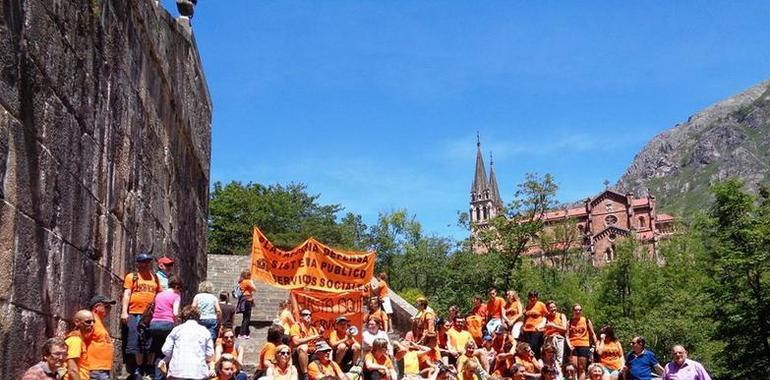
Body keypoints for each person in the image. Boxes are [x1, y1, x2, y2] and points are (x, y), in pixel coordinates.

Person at [121, 252, 162, 378]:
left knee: (150, 341)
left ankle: (148, 367)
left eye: (148, 262)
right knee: (135, 341)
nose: (146, 264)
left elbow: (159, 295)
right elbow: (127, 294)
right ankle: (137, 368)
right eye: (143, 262)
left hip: (150, 315)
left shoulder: (155, 278)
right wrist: (124, 311)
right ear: (138, 264)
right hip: (135, 313)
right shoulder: (132, 277)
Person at [161, 305, 214, 380]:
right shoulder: (204, 331)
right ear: (198, 317)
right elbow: (210, 355)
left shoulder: (177, 330)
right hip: (198, 372)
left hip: (177, 372)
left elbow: (165, 350)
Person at [148, 276, 182, 379]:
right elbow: (175, 313)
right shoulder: (176, 296)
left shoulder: (159, 295)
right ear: (176, 286)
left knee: (159, 351)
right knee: (170, 350)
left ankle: (157, 376)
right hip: (167, 324)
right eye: (180, 288)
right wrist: (177, 324)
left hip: (154, 324)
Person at [87, 295, 117, 380]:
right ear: (96, 307)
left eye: (110, 307)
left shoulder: (98, 321)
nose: (109, 309)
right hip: (95, 368)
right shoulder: (90, 321)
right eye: (106, 306)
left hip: (102, 368)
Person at [567, 303, 597, 379]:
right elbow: (566, 335)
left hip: (584, 345)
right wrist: (569, 345)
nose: (578, 312)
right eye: (576, 310)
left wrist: (595, 345)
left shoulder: (586, 320)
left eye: (579, 310)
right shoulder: (569, 321)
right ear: (573, 311)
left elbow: (592, 333)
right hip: (573, 346)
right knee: (573, 368)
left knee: (582, 368)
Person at [290, 309, 323, 377]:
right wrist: (312, 337)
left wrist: (321, 334)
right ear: (301, 317)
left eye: (310, 315)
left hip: (312, 351)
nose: (308, 316)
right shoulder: (296, 326)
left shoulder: (313, 329)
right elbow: (295, 342)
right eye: (305, 315)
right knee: (304, 347)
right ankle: (305, 375)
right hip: (298, 352)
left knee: (326, 349)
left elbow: (318, 342)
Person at [64, 310, 95, 380]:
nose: (92, 324)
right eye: (88, 322)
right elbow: (72, 370)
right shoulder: (75, 340)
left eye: (93, 321)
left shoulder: (79, 340)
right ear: (77, 322)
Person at [520, 291, 547, 360]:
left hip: (536, 329)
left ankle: (535, 363)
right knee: (526, 348)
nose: (533, 298)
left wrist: (541, 325)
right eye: (531, 297)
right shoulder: (527, 306)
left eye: (534, 297)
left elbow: (545, 316)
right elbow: (525, 318)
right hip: (526, 330)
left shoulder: (541, 305)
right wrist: (522, 327)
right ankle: (529, 362)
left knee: (534, 347)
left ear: (537, 297)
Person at [542, 300, 567, 372]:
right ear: (547, 309)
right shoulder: (545, 318)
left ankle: (558, 374)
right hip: (548, 339)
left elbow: (564, 329)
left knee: (559, 359)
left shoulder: (561, 315)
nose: (553, 309)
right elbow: (541, 328)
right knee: (548, 358)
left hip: (559, 339)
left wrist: (553, 325)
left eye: (554, 307)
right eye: (550, 307)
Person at [237, 270, 257, 339]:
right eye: (249, 275)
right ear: (247, 275)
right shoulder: (248, 281)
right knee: (246, 318)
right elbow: (255, 289)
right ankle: (242, 333)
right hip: (247, 300)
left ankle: (244, 332)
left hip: (243, 300)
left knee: (245, 317)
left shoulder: (241, 282)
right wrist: (251, 282)